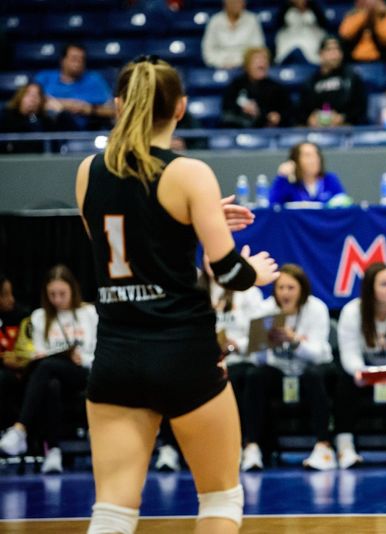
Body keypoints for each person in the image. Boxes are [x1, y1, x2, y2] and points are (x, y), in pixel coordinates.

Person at [73, 55, 278, 534]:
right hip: (184, 352)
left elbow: (118, 245)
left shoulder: (87, 171)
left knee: (113, 510)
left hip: (117, 352)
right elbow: (230, 272)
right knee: (220, 499)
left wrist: (194, 220)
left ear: (119, 105)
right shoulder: (189, 173)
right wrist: (258, 273)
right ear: (181, 108)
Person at [155, 263, 266, 472]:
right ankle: (169, 447)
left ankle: (251, 446)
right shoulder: (191, 290)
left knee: (252, 377)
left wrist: (234, 345)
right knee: (169, 376)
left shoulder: (250, 293)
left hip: (238, 361)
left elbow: (258, 339)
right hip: (199, 360)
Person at [0, 265, 98, 474]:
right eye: (52, 294)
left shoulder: (88, 312)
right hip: (52, 374)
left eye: (62, 293)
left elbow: (100, 351)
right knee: (50, 381)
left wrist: (83, 358)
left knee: (47, 368)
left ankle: (20, 430)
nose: (57, 299)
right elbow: (38, 351)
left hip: (83, 372)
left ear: (73, 289)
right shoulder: (39, 316)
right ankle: (53, 451)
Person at [240, 264, 336, 471]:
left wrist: (295, 342)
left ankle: (323, 446)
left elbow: (318, 355)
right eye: (281, 287)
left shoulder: (316, 308)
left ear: (301, 289)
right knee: (254, 376)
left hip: (311, 369)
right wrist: (266, 345)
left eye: (290, 288)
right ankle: (252, 447)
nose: (285, 293)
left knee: (314, 376)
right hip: (279, 370)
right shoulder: (266, 310)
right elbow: (256, 359)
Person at [334, 261, 386, 469]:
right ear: (370, 288)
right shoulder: (352, 312)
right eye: (384, 284)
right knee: (344, 381)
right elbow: (349, 353)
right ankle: (345, 447)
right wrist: (359, 371)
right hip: (365, 374)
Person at [34, 43, 114, 131]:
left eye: (82, 60)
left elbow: (113, 110)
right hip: (48, 134)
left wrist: (89, 109)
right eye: (74, 59)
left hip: (85, 135)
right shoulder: (45, 78)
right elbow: (26, 102)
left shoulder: (94, 80)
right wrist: (67, 105)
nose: (78, 63)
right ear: (62, 60)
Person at [299, 35, 368, 127]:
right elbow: (301, 110)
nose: (335, 53)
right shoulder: (311, 81)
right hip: (316, 129)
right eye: (330, 49)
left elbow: (360, 108)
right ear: (321, 54)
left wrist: (343, 118)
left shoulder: (352, 78)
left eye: (337, 49)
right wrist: (309, 118)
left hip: (345, 128)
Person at [220, 47, 293, 128]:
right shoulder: (236, 85)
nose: (262, 63)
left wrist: (278, 116)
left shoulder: (277, 88)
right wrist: (242, 109)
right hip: (240, 127)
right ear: (247, 65)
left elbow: (288, 112)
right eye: (257, 60)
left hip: (267, 131)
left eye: (264, 60)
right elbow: (227, 109)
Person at [268, 141, 348, 206]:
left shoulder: (330, 180)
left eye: (316, 155)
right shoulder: (288, 182)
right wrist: (281, 177)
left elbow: (343, 204)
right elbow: (273, 206)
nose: (314, 160)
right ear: (296, 160)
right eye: (308, 156)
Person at [0, 82, 66, 154]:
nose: (32, 99)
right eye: (28, 95)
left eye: (37, 96)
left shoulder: (46, 121)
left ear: (41, 101)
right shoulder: (6, 117)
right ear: (20, 97)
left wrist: (61, 111)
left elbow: (68, 135)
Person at [0, 273, 30, 430]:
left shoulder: (22, 316)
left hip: (22, 370)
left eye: (11, 293)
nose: (11, 299)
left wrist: (21, 364)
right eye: (5, 295)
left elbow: (29, 349)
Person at [202, 0, 266, 70]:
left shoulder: (252, 20)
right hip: (218, 67)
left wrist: (240, 63)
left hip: (245, 68)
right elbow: (208, 50)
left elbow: (257, 48)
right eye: (233, 2)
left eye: (240, 2)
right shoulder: (215, 21)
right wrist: (221, 63)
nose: (237, 5)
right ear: (225, 3)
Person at [274, 0, 329, 65]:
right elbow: (277, 23)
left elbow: (324, 23)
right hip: (289, 42)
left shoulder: (314, 9)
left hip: (311, 43)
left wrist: (308, 4)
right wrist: (290, 4)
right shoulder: (286, 9)